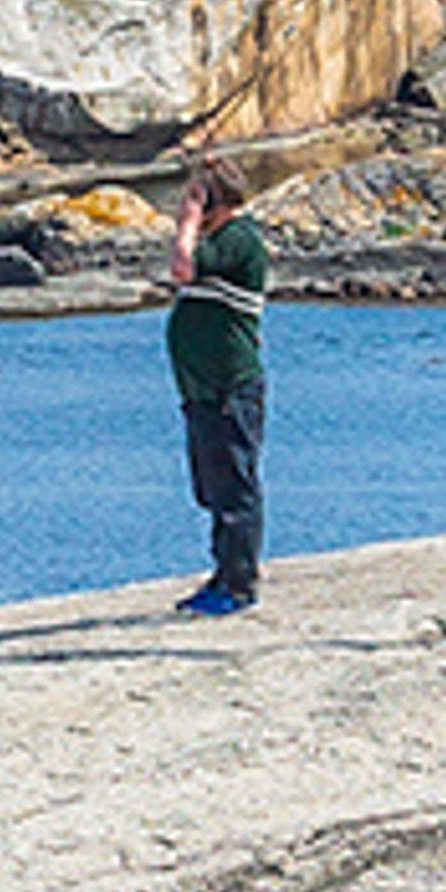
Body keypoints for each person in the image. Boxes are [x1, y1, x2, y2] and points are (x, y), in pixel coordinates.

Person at [165, 151, 269, 616]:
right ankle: (224, 570)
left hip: (230, 387)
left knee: (235, 488)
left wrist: (188, 223)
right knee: (212, 487)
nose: (185, 208)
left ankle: (240, 583)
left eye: (195, 199)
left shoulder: (239, 240)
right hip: (202, 390)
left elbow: (183, 267)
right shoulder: (222, 239)